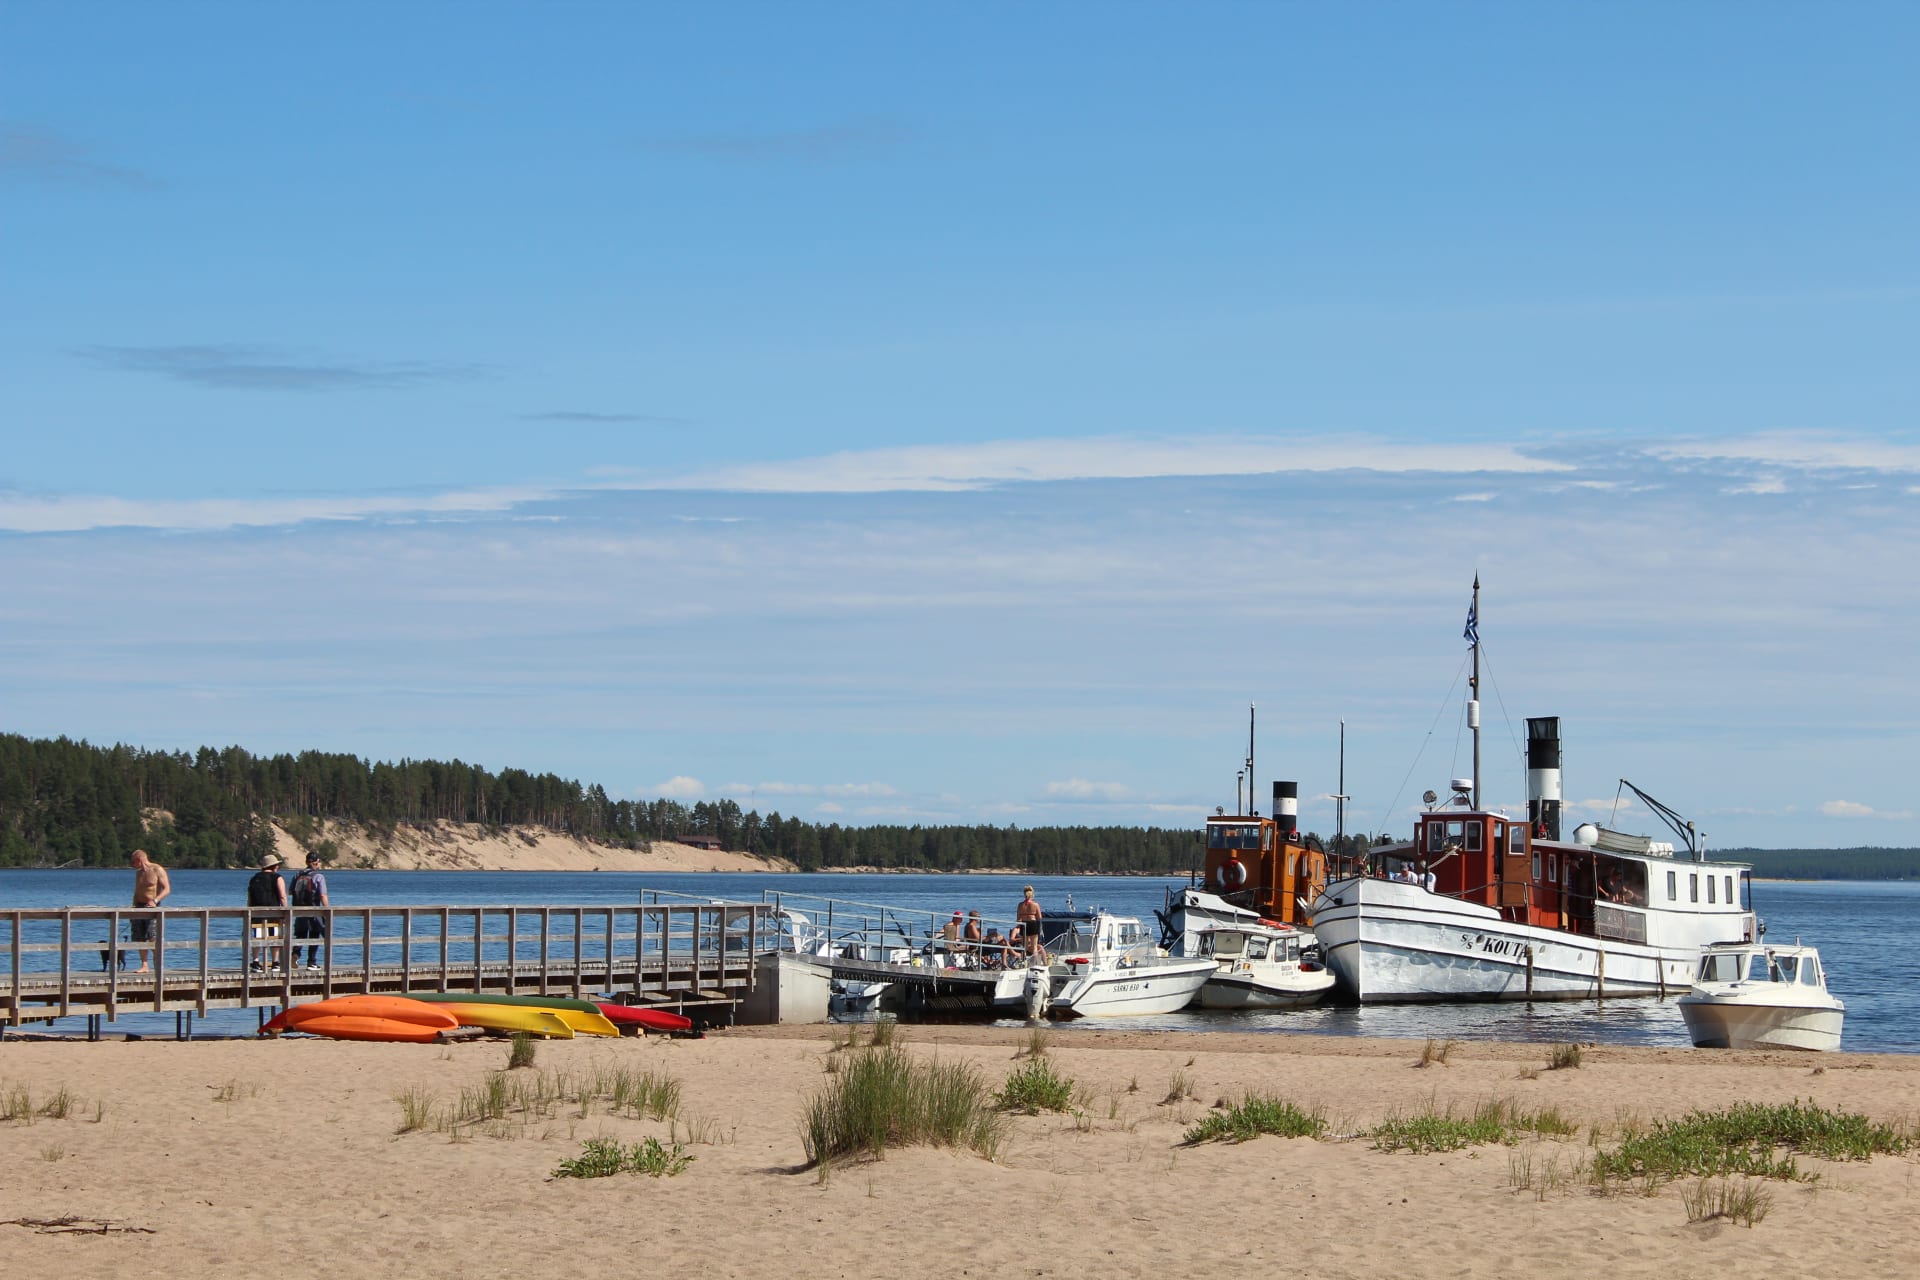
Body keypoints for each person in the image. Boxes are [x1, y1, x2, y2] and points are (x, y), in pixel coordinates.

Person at [128, 848, 170, 973]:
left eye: (134, 862)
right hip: (139, 906)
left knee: (152, 936)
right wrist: (132, 908)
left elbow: (167, 889)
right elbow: (137, 891)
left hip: (152, 907)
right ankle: (144, 965)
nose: (133, 865)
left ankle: (158, 964)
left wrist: (155, 901)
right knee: (140, 937)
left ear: (140, 860)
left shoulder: (157, 869)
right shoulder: (138, 873)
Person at [247, 854, 289, 972]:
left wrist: (249, 911)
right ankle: (275, 962)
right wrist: (286, 911)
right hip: (273, 913)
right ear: (274, 866)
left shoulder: (254, 878)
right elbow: (282, 896)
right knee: (275, 936)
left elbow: (249, 898)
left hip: (256, 913)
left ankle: (255, 962)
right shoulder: (277, 878)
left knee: (257, 937)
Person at [290, 852, 330, 970]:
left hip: (299, 910)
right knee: (315, 933)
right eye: (318, 862)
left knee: (301, 934)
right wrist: (327, 910)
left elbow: (290, 891)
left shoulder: (297, 874)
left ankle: (295, 955)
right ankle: (311, 962)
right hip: (314, 910)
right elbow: (323, 895)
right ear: (316, 862)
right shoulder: (319, 876)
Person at [1016, 885, 1042, 959]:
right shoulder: (1035, 904)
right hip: (1033, 924)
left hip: (1024, 924)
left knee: (1024, 947)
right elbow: (1039, 917)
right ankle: (1035, 963)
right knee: (1034, 947)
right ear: (1032, 894)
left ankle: (1024, 962)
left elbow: (1018, 918)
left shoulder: (1020, 905)